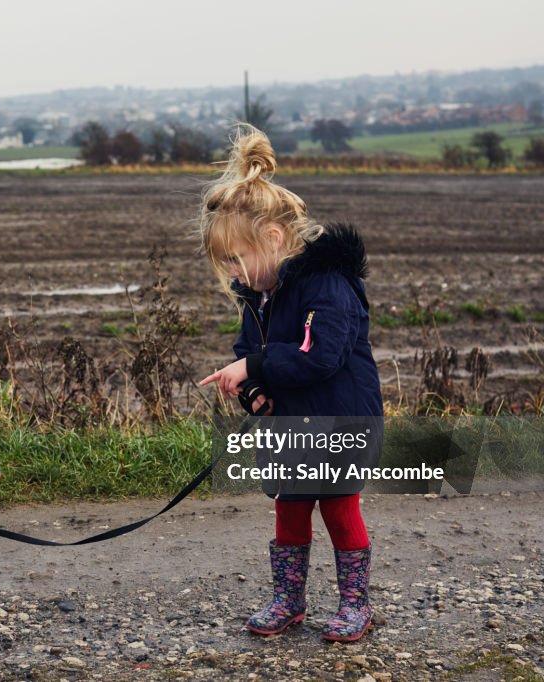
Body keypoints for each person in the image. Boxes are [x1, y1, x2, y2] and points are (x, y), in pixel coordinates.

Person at [198, 125, 383, 642]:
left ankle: (355, 604)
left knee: (339, 504)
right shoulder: (259, 293)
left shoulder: (328, 284)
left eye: (237, 257)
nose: (233, 271)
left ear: (273, 239)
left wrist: (256, 368)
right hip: (291, 421)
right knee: (290, 503)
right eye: (226, 262)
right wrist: (253, 389)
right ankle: (288, 598)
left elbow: (318, 357)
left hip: (340, 415)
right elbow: (247, 350)